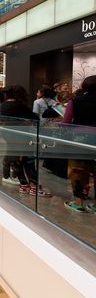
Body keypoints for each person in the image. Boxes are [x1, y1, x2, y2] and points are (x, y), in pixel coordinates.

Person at [63, 75, 96, 212]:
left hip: (80, 139)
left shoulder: (75, 101)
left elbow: (66, 122)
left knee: (78, 170)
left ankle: (78, 203)